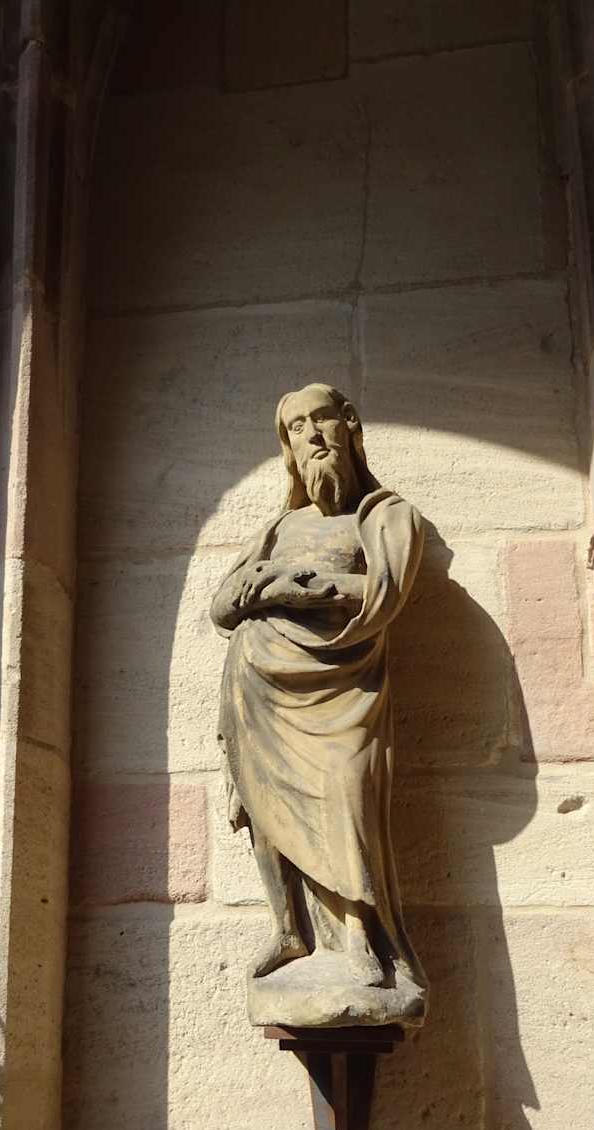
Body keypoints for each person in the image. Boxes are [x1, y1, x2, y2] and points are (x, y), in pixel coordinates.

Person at [211, 383, 427, 1026]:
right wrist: (265, 583)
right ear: (288, 447)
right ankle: (290, 931)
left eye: (321, 419)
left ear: (349, 424)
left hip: (343, 687)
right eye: (296, 427)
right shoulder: (280, 526)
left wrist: (296, 586)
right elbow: (222, 607)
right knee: (265, 804)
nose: (311, 434)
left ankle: (361, 943)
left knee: (346, 793)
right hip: (258, 683)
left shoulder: (385, 515)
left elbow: (386, 591)